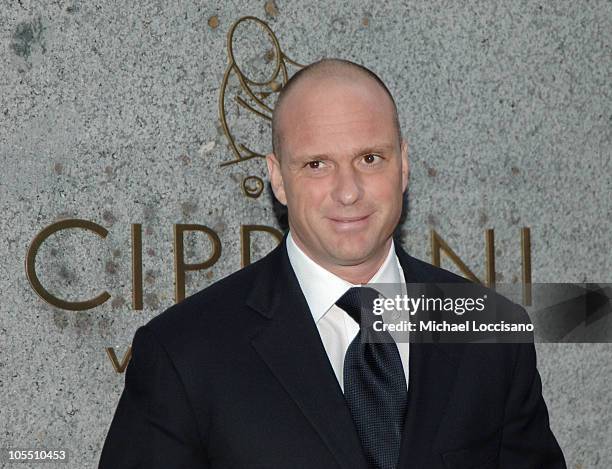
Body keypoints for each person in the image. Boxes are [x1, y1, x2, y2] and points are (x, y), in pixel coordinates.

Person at [98, 58, 566, 468]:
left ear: (403, 165)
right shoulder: (183, 353)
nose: (348, 191)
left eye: (369, 158)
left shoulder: (491, 334)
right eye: (317, 164)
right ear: (278, 179)